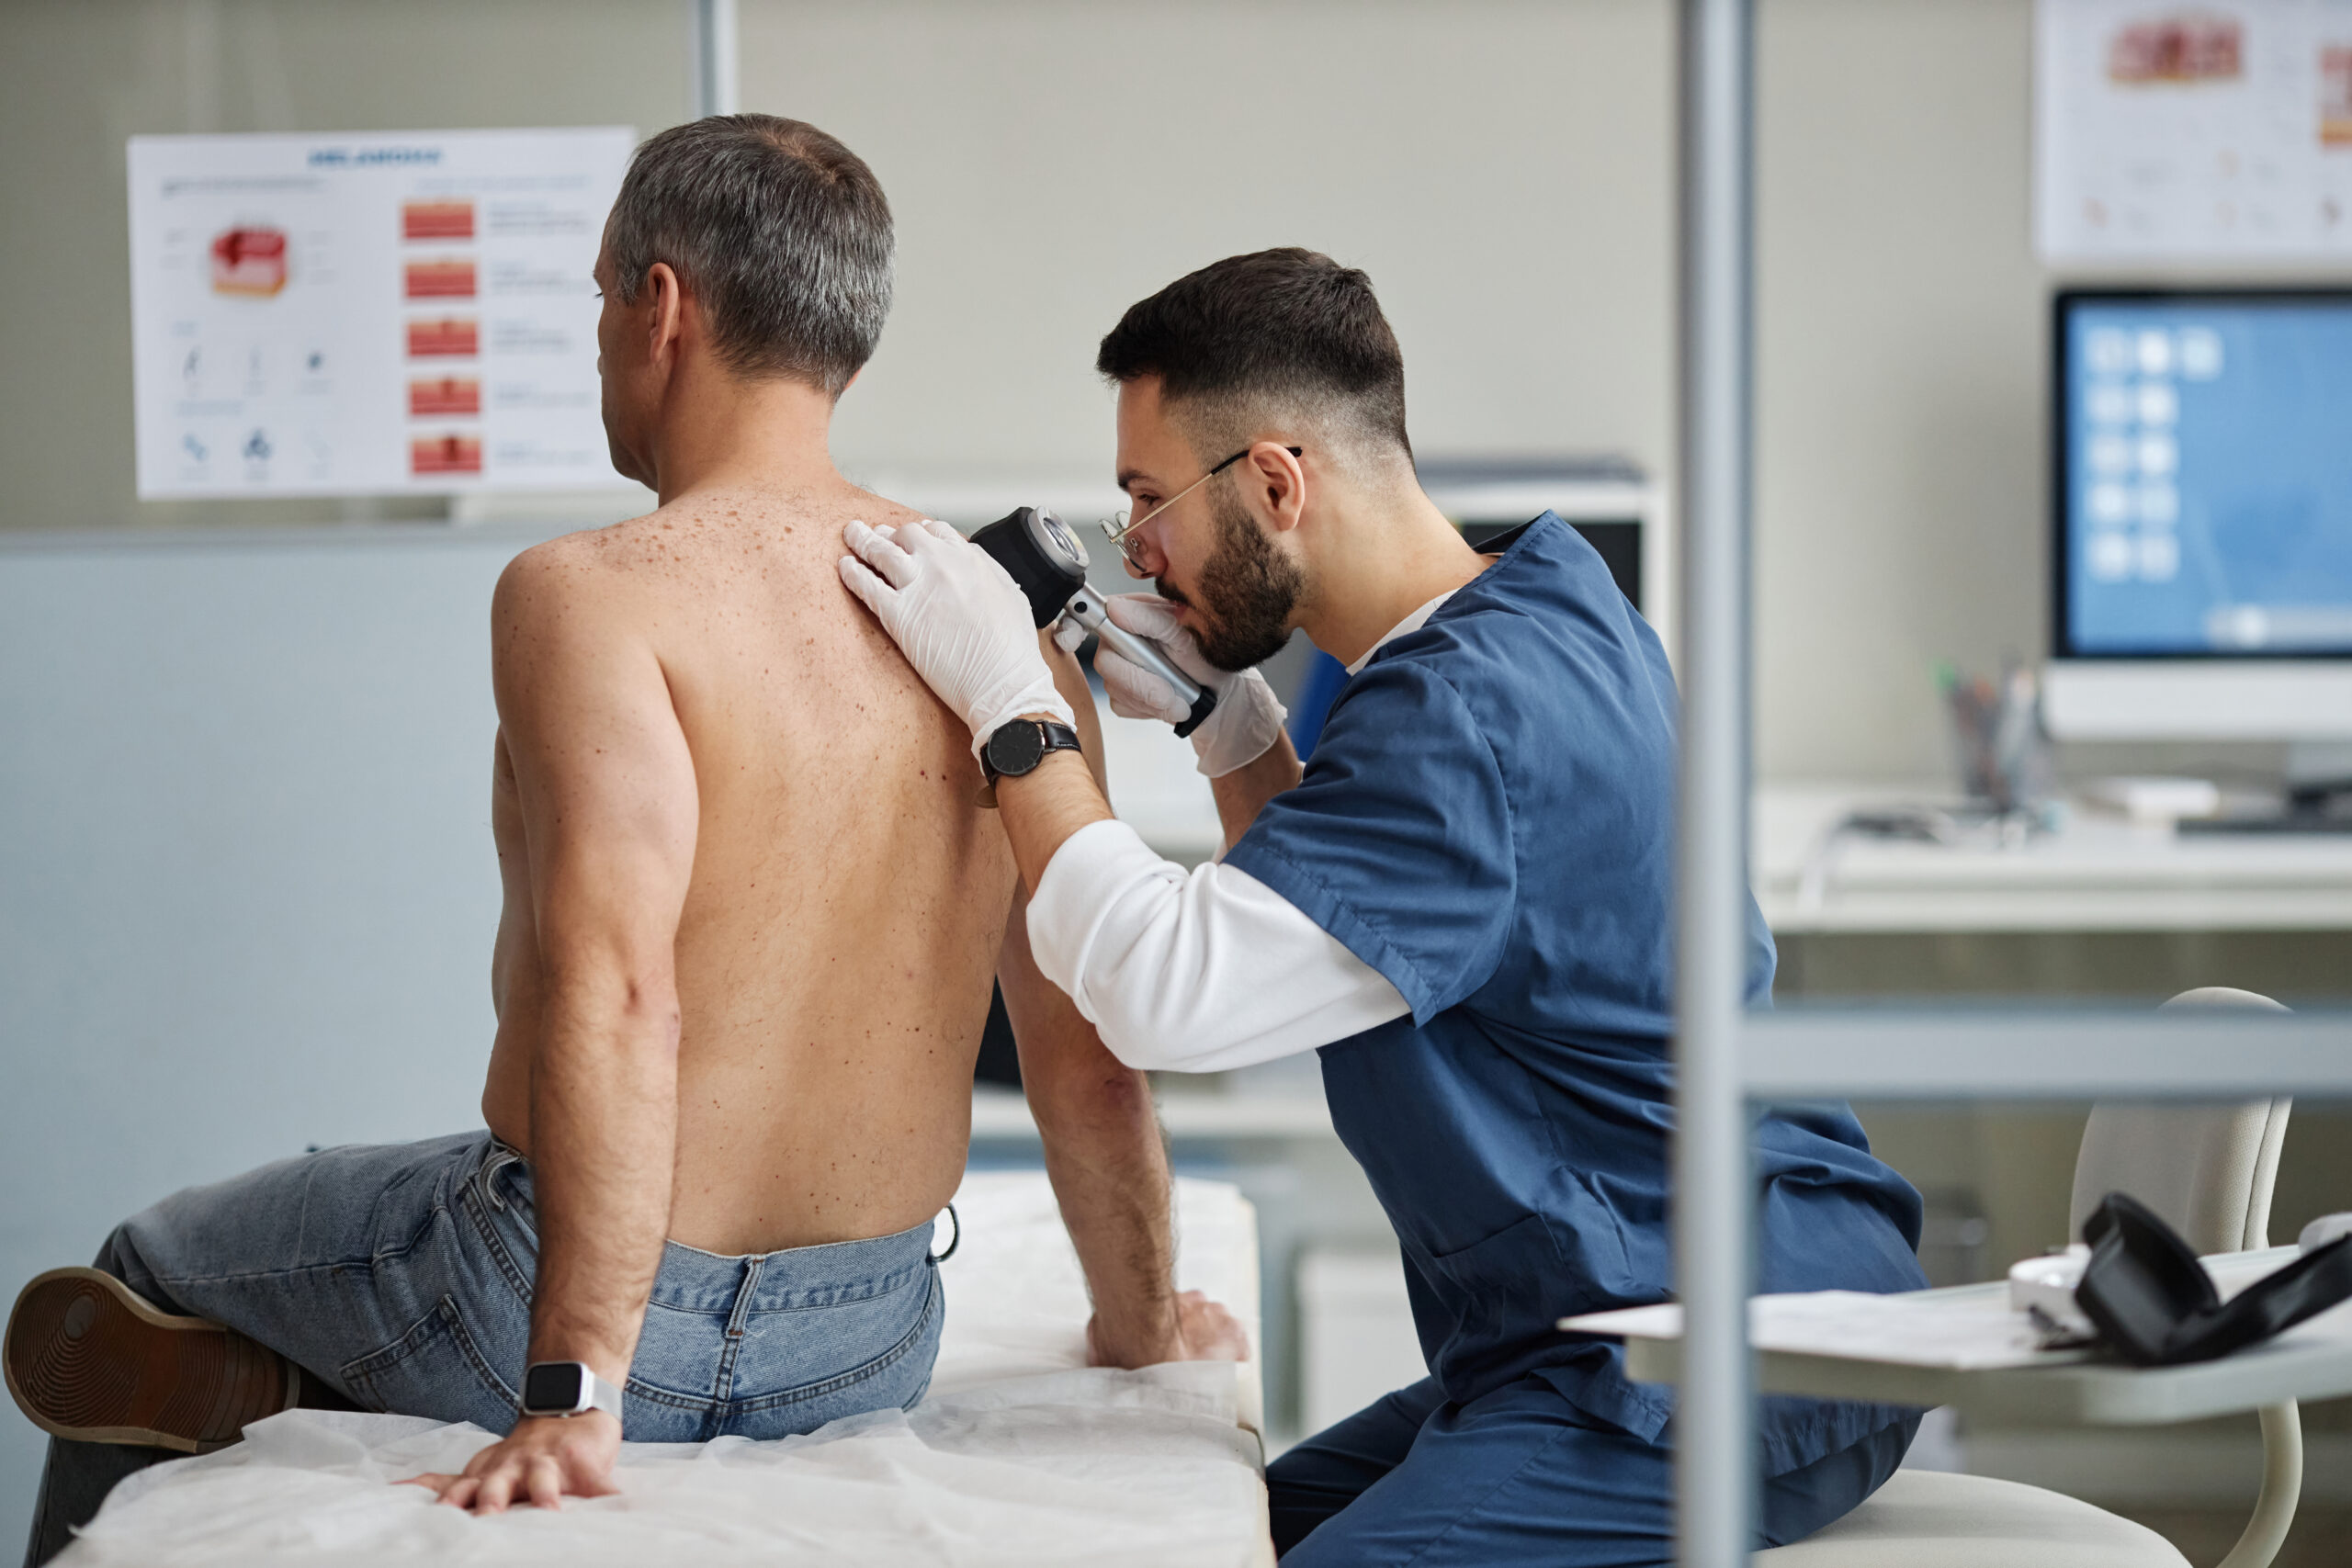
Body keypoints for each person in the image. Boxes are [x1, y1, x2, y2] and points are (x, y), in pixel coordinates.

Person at [6, 115, 1238, 1563]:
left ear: (662, 304)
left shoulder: (591, 594)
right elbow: (1080, 1049)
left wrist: (575, 1392)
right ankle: (297, 1382)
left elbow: (621, 990)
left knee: (145, 1266)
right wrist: (1142, 1324)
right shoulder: (994, 627)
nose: (599, 335)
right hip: (867, 1335)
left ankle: (285, 1376)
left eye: (601, 294)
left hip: (554, 1304)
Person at [839, 247, 1929, 1566]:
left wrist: (1015, 711)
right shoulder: (1539, 605)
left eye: (1148, 502)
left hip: (1716, 1350)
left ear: (1277, 483)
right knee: (1218, 1533)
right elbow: (1365, 920)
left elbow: (1165, 989)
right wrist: (1230, 724)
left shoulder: (1460, 721)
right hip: (1623, 1310)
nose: (1136, 549)